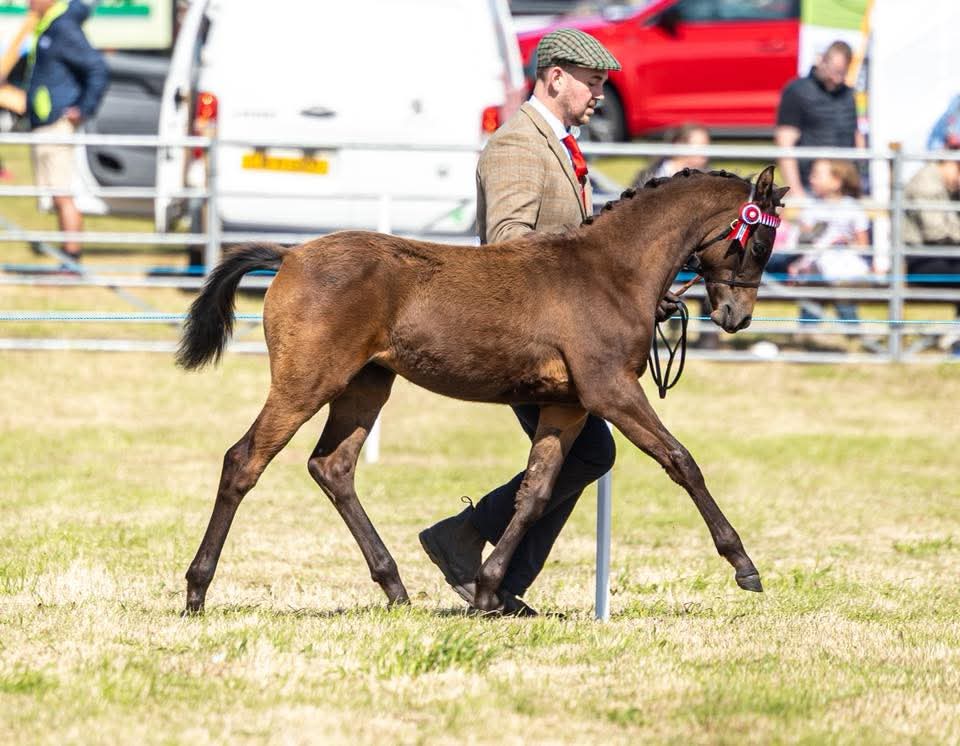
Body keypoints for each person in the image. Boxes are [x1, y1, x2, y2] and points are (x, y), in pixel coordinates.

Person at [418, 28, 622, 617]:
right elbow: (507, 247)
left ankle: (493, 575)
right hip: (522, 341)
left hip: (556, 336)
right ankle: (466, 540)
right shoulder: (517, 147)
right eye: (592, 82)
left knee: (584, 453)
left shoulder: (556, 144)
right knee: (587, 453)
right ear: (555, 77)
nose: (599, 94)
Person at [26, 0, 108, 267]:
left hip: (56, 123)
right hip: (44, 121)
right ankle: (67, 258)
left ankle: (72, 259)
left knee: (63, 194)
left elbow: (97, 67)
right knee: (56, 194)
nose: (28, 2)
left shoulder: (63, 26)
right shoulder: (51, 24)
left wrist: (83, 107)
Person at [774, 40, 865, 201]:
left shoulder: (848, 95)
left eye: (842, 73)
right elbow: (785, 144)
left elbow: (856, 136)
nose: (837, 79)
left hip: (844, 192)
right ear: (822, 61)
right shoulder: (796, 91)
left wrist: (860, 182)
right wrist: (796, 192)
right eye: (834, 71)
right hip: (810, 188)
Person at [787, 158, 873, 327]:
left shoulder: (852, 208)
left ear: (836, 181)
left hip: (843, 268)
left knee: (841, 293)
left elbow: (863, 245)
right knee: (811, 293)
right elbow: (804, 240)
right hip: (815, 266)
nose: (811, 179)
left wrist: (846, 242)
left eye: (817, 175)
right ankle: (808, 333)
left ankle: (852, 331)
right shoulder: (811, 207)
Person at [903, 152, 960, 353]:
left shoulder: (941, 184)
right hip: (921, 263)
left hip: (939, 257)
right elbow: (935, 233)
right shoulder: (927, 184)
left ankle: (956, 335)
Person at [632, 123, 710, 187]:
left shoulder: (710, 178)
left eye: (707, 145)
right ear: (679, 145)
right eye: (701, 145)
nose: (707, 151)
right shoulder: (650, 175)